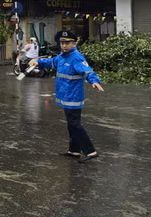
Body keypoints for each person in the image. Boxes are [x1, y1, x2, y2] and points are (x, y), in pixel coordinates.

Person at [30, 30, 104, 163]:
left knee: (75, 125)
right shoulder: (61, 57)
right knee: (71, 125)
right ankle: (74, 151)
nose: (64, 45)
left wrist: (94, 81)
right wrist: (38, 62)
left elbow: (87, 71)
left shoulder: (76, 57)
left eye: (67, 43)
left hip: (74, 97)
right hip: (65, 96)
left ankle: (90, 151)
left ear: (74, 43)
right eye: (62, 43)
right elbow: (51, 62)